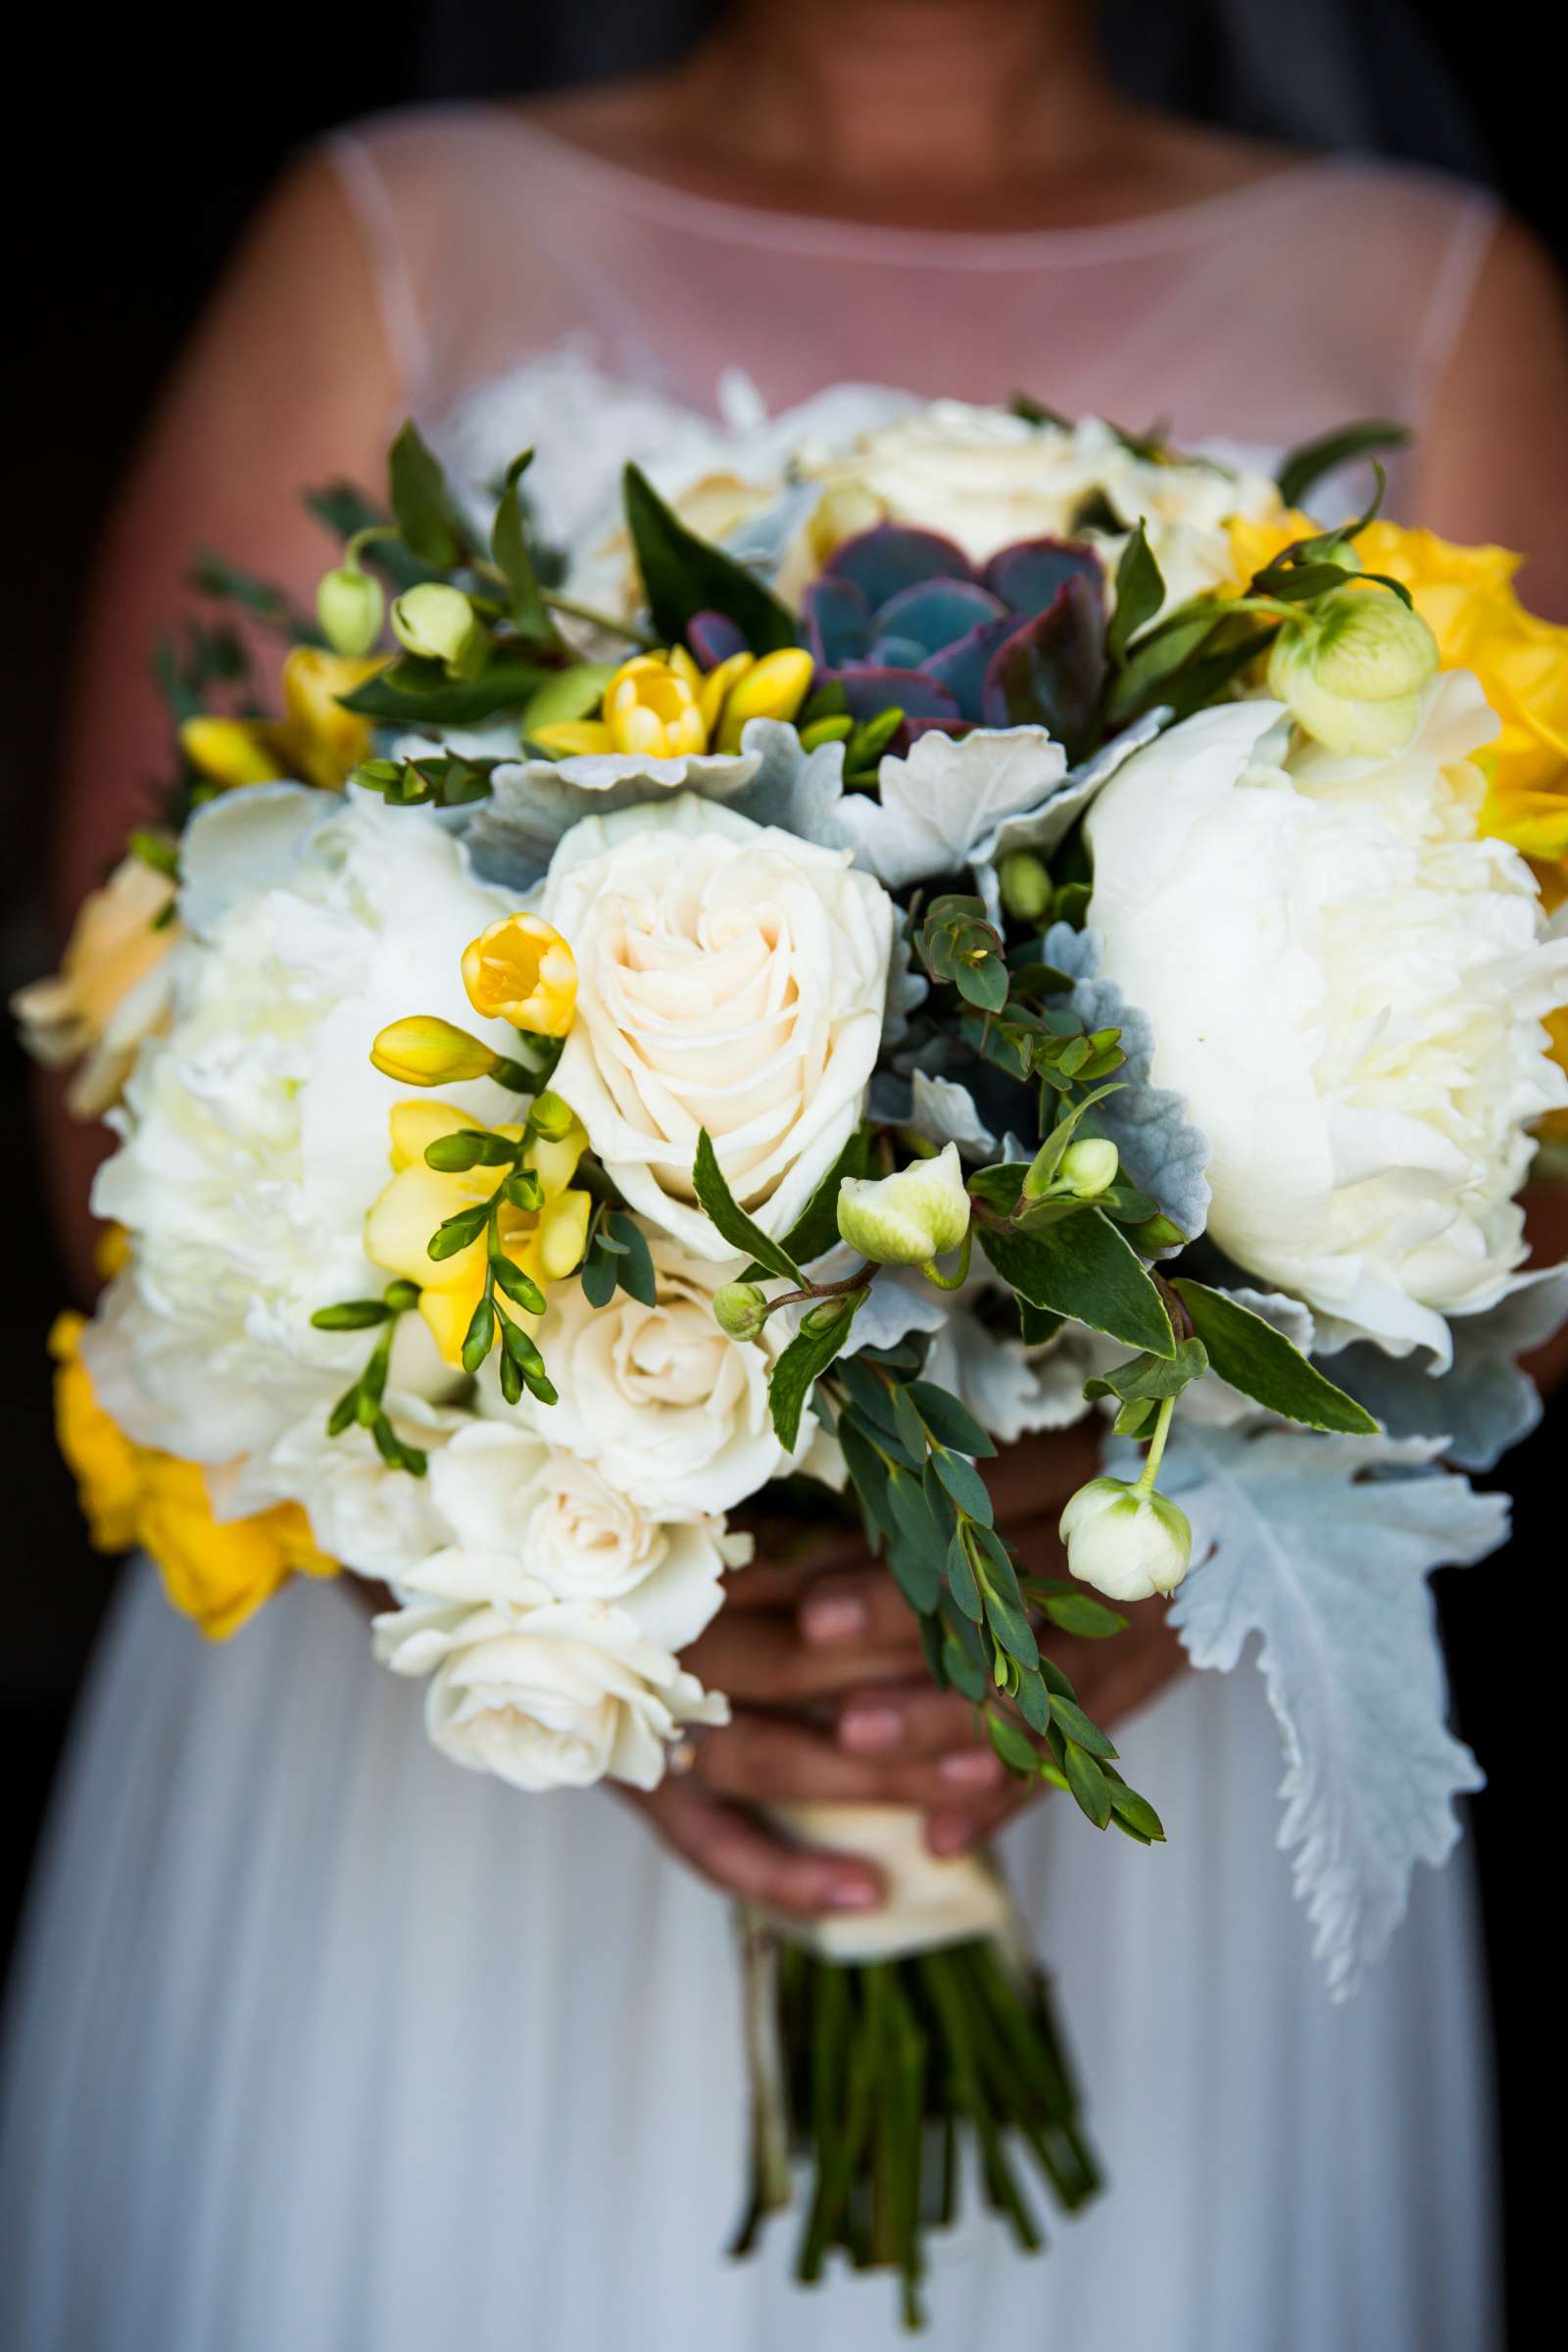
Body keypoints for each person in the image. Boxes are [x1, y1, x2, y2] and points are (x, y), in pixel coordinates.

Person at [6, 3, 1567, 2343]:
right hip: (441, 1747)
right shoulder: (391, 234)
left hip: (1120, 1717)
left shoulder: (1437, 291)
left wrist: (1188, 1566)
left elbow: (1524, 1077)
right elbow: (135, 1038)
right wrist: (519, 1589)